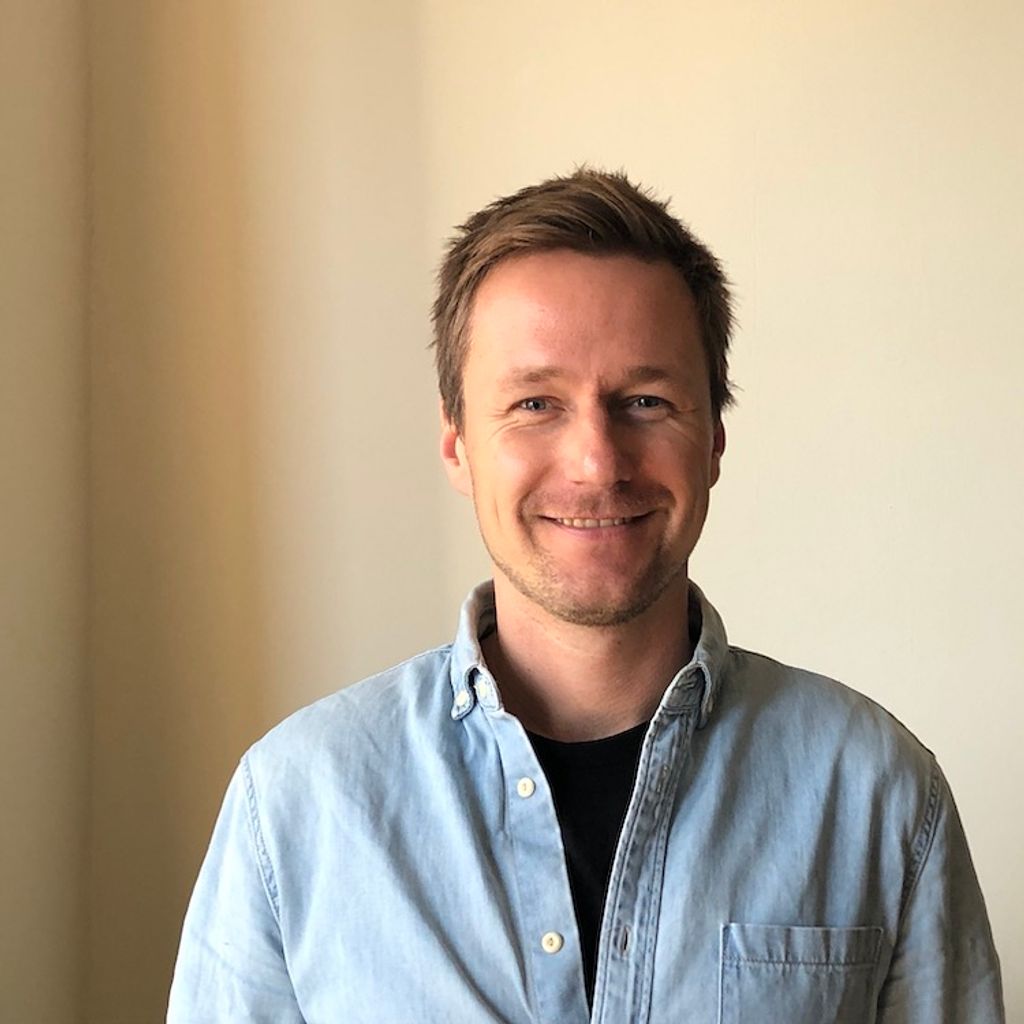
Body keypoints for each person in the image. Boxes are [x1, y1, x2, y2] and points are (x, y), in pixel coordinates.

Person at [167, 169, 1004, 1023]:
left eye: (646, 400)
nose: (598, 462)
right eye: (536, 403)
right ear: (457, 446)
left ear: (714, 439)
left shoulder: (876, 791)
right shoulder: (298, 803)